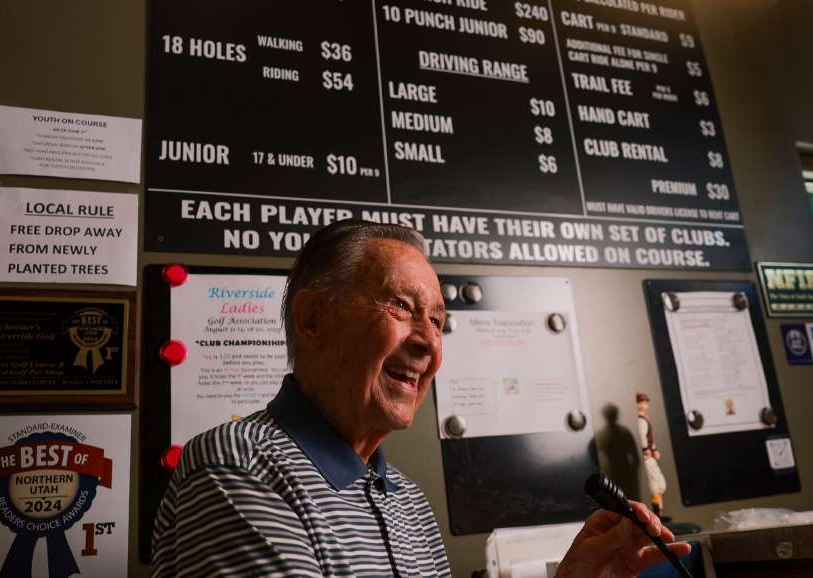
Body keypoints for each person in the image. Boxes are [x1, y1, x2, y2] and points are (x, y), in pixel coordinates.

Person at [153, 220, 690, 577]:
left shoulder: (409, 504)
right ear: (312, 319)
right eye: (402, 308)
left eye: (437, 320)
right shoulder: (237, 470)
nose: (430, 342)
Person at [636, 391, 668, 516]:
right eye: (641, 403)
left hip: (650, 455)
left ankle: (660, 512)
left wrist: (654, 449)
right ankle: (658, 513)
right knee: (655, 486)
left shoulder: (645, 418)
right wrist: (645, 449)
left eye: (645, 403)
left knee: (660, 484)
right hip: (647, 457)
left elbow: (650, 438)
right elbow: (642, 436)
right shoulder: (640, 420)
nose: (644, 405)